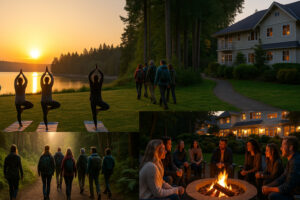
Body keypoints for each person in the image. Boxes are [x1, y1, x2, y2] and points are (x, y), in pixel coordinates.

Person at [89, 65, 110, 130]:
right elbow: (102, 75)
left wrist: (94, 70)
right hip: (98, 100)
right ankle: (98, 110)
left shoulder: (91, 84)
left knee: (94, 114)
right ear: (98, 79)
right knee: (107, 107)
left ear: (93, 78)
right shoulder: (99, 84)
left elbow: (89, 76)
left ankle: (95, 126)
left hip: (92, 101)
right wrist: (98, 69)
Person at [40, 66, 60, 131]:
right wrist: (48, 72)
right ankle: (49, 108)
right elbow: (52, 78)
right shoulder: (50, 85)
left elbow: (41, 78)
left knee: (44, 114)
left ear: (45, 81)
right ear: (48, 81)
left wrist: (45, 73)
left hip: (43, 102)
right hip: (49, 101)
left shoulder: (42, 85)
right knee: (58, 105)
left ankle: (46, 126)